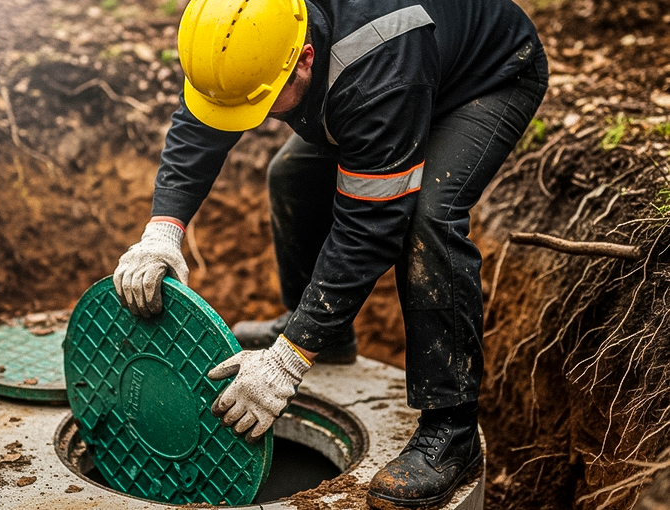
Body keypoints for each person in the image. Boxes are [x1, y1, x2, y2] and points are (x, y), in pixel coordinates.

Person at [113, 0, 548, 506]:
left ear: (304, 58)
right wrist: (162, 230)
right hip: (397, 71)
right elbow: (202, 121)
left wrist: (289, 359)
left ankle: (452, 433)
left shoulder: (376, 72)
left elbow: (369, 228)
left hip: (486, 75)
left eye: (264, 102)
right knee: (292, 176)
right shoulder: (247, 29)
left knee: (428, 220)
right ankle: (330, 336)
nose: (255, 120)